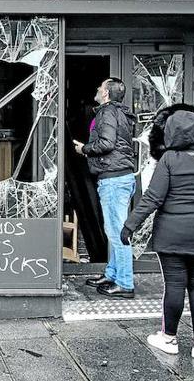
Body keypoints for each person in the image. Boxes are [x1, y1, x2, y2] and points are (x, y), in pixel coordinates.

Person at [120, 106, 194, 359]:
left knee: (174, 285)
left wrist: (130, 225)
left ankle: (169, 339)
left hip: (172, 235)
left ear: (172, 133)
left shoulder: (169, 159)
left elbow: (153, 198)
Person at [74, 77, 137, 298]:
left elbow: (107, 144)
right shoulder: (119, 113)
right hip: (118, 178)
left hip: (114, 180)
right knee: (113, 229)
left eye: (100, 87)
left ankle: (125, 283)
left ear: (107, 94)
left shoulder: (107, 112)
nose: (97, 89)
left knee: (117, 232)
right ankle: (112, 273)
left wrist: (85, 149)